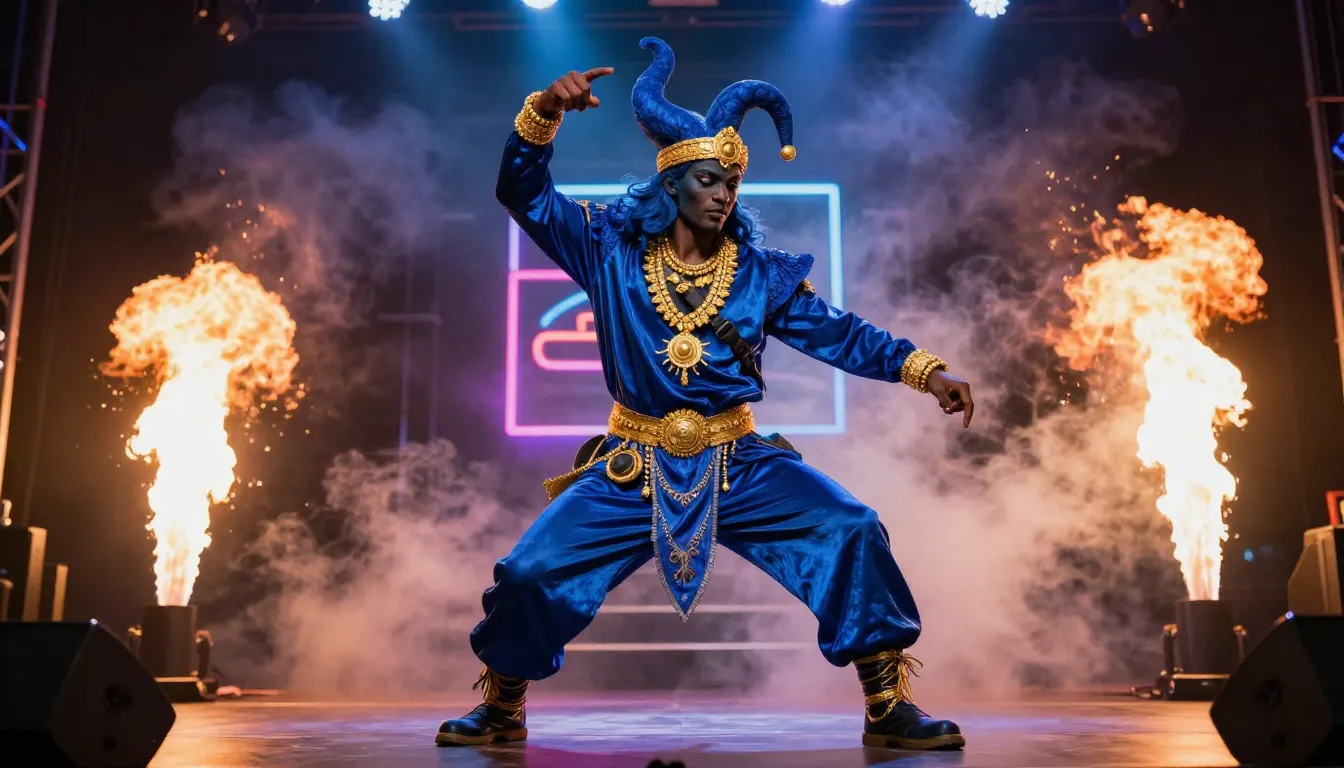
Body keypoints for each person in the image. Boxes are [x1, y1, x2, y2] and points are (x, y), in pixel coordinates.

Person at [437, 37, 974, 751]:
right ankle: (503, 706)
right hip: (632, 464)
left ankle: (887, 705)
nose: (724, 194)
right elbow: (523, 193)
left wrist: (923, 371)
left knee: (852, 529)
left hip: (739, 459)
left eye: (732, 184)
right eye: (709, 180)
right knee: (530, 572)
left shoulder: (760, 273)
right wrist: (543, 112)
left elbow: (838, 333)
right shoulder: (607, 247)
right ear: (671, 183)